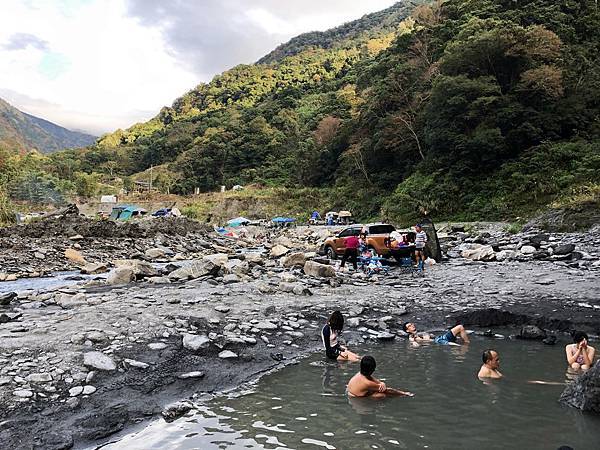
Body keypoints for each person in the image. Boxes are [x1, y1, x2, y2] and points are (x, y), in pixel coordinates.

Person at [347, 356, 413, 398]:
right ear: (372, 369)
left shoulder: (360, 374)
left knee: (378, 391)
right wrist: (404, 393)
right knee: (381, 395)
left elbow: (371, 379)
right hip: (356, 398)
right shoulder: (367, 383)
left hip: (352, 392)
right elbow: (388, 390)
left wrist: (381, 383)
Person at [403, 322, 470, 345]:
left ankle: (466, 343)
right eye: (409, 326)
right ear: (407, 331)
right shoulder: (412, 336)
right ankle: (467, 344)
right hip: (439, 340)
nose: (412, 325)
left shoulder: (420, 332)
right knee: (460, 327)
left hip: (441, 337)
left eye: (411, 324)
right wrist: (415, 342)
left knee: (461, 330)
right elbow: (412, 341)